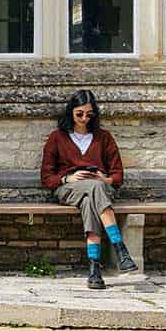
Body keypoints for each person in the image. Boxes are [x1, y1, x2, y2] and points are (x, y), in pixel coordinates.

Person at [40, 89, 138, 291]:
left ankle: (95, 270)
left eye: (89, 115)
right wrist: (68, 177)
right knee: (94, 189)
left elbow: (118, 176)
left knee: (91, 198)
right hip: (68, 189)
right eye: (79, 114)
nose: (84, 119)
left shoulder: (104, 137)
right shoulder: (57, 138)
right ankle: (120, 249)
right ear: (71, 112)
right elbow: (47, 178)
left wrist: (105, 178)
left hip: (99, 189)